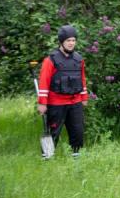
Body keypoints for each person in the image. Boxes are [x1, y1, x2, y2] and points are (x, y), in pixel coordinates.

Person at [37, 25, 89, 157]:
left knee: (78, 131)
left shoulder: (79, 59)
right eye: (68, 41)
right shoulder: (50, 60)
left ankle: (76, 157)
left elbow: (82, 79)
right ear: (61, 41)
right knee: (53, 132)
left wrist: (84, 97)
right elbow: (44, 82)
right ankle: (47, 157)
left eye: (73, 40)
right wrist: (42, 103)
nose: (71, 43)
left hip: (75, 102)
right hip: (56, 103)